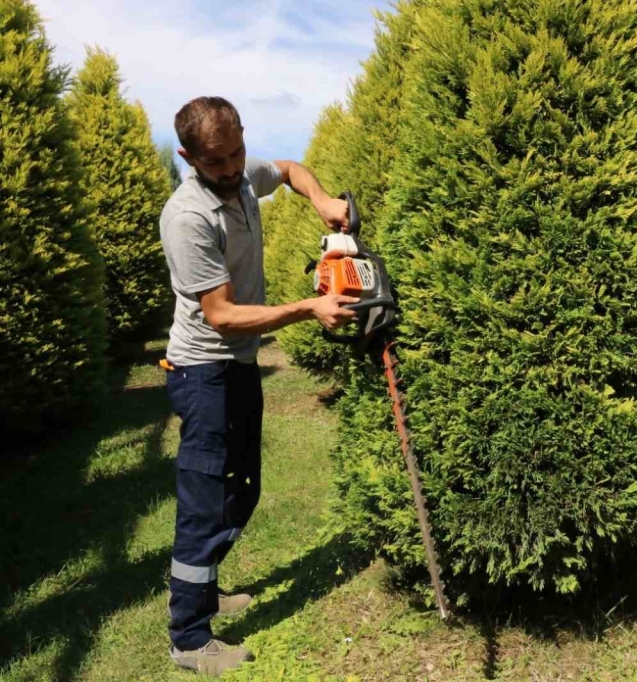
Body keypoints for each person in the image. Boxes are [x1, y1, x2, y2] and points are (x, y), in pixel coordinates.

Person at [158, 96, 358, 676]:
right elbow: (220, 315)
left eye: (236, 153)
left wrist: (320, 198)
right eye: (216, 162)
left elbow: (292, 170)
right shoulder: (188, 216)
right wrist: (307, 308)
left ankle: (204, 588)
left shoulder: (243, 177)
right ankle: (190, 638)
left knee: (241, 490)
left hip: (237, 368)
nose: (230, 169)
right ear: (189, 156)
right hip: (202, 372)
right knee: (203, 504)